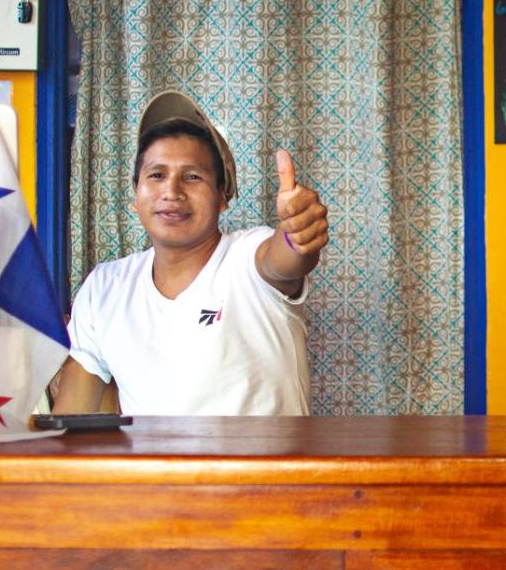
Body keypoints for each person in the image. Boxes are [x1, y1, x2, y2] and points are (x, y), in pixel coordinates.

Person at [52, 90, 329, 415]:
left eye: (192, 177)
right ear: (136, 195)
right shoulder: (104, 287)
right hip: (149, 453)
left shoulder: (246, 256)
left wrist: (297, 234)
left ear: (222, 197)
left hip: (263, 452)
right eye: (157, 175)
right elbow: (71, 418)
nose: (172, 191)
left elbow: (282, 261)